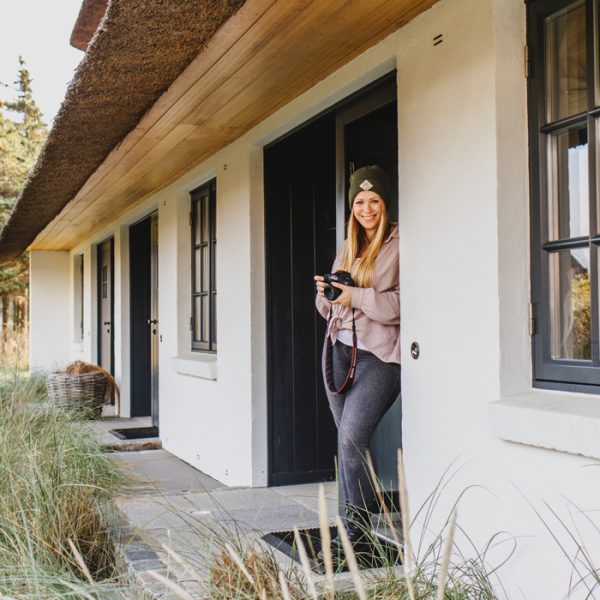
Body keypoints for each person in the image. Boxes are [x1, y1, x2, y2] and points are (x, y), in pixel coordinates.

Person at [314, 164, 400, 552]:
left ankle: (357, 531)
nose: (366, 209)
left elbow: (400, 305)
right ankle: (353, 521)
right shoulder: (347, 248)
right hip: (338, 353)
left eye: (374, 200)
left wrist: (356, 296)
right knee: (350, 443)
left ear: (386, 202)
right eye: (360, 202)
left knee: (351, 441)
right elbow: (326, 309)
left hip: (378, 357)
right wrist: (329, 295)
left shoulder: (400, 245)